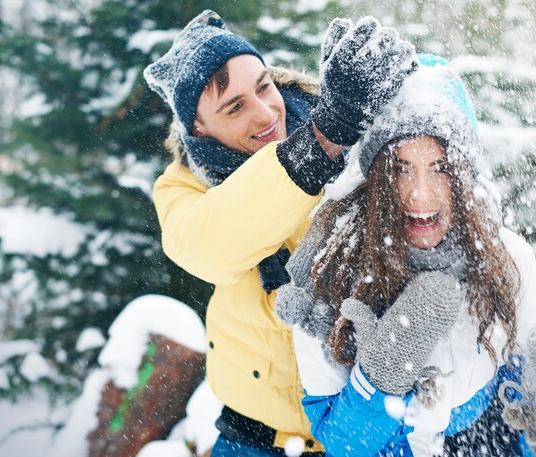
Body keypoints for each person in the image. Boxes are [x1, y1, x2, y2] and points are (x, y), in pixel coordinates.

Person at [276, 55, 536, 456]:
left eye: (440, 168)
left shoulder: (505, 256)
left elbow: (530, 407)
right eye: (400, 169)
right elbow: (341, 442)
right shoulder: (331, 271)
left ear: (465, 174)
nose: (420, 194)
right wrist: (377, 382)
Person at [143, 10, 418, 456]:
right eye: (235, 106)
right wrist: (321, 141)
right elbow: (210, 246)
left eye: (263, 85)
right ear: (197, 128)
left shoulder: (345, 120)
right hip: (253, 438)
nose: (265, 112)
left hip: (366, 422)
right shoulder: (184, 183)